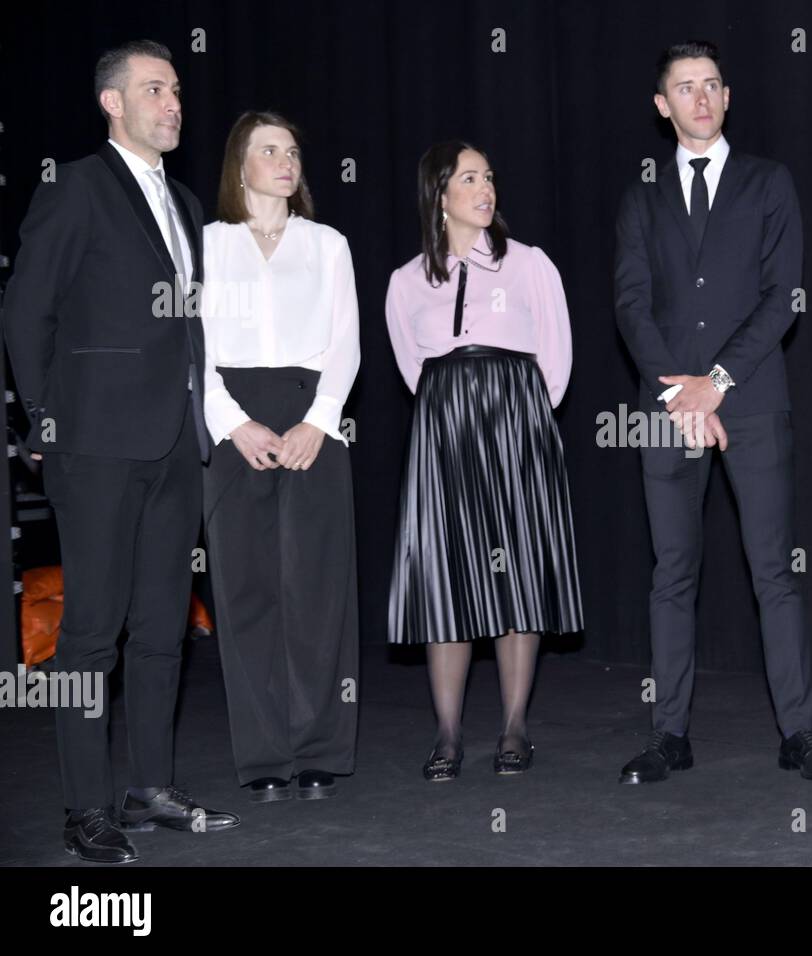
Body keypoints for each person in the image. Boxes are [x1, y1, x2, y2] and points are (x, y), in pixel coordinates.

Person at [1, 39, 239, 863]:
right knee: (90, 634)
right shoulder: (73, 185)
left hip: (176, 442)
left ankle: (150, 787)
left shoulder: (184, 203)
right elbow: (26, 309)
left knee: (161, 628)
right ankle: (84, 808)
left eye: (176, 90)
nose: (173, 103)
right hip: (95, 443)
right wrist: (43, 421)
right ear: (113, 102)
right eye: (154, 89)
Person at [613, 41, 812, 784]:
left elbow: (784, 297)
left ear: (727, 95)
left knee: (773, 570)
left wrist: (715, 382)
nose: (701, 98)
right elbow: (630, 304)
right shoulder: (641, 196)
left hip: (749, 399)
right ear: (663, 105)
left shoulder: (768, 182)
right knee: (672, 572)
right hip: (666, 407)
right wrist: (679, 392)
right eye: (684, 88)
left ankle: (801, 732)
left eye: (712, 84)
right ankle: (669, 735)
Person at [385, 141, 583, 780]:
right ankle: (447, 734)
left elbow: (555, 363)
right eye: (469, 178)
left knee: (516, 571)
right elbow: (414, 371)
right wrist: (456, 410)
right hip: (444, 432)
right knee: (446, 576)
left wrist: (518, 421)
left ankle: (514, 726)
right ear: (440, 195)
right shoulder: (405, 281)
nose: (485, 187)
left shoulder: (529, 265)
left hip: (516, 425)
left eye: (489, 176)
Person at [201, 111, 361, 802]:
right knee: (245, 593)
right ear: (241, 166)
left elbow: (346, 343)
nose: (286, 161)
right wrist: (232, 424)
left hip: (312, 419)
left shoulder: (327, 244)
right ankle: (263, 757)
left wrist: (318, 421)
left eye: (292, 150)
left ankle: (320, 749)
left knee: (318, 590)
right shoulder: (204, 244)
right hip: (234, 420)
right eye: (270, 150)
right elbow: (192, 347)